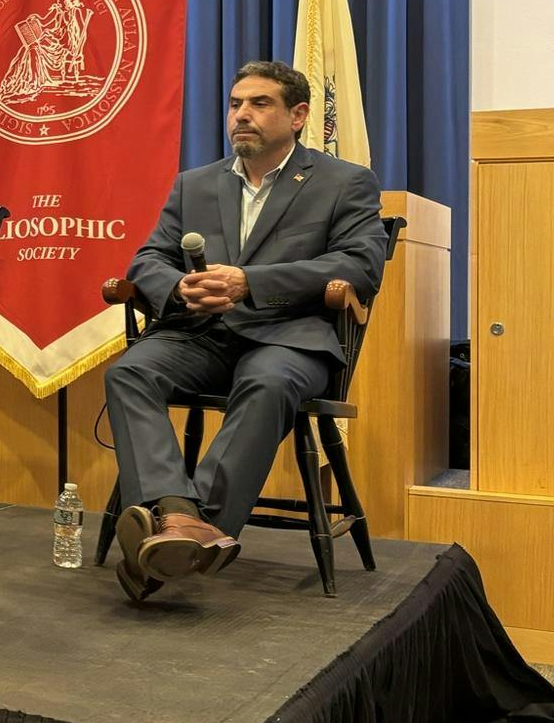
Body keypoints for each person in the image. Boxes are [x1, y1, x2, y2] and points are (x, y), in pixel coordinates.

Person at [103, 60, 388, 603]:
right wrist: (177, 289)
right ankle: (182, 519)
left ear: (298, 115)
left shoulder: (343, 182)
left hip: (289, 337)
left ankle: (173, 544)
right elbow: (149, 259)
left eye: (259, 104)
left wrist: (249, 283)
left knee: (268, 382)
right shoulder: (196, 183)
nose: (242, 115)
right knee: (130, 372)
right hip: (202, 335)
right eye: (236, 104)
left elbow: (359, 266)